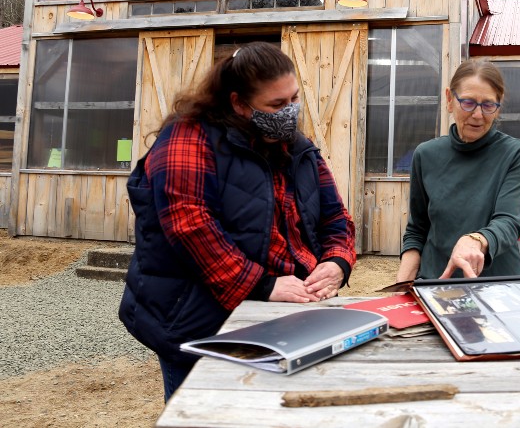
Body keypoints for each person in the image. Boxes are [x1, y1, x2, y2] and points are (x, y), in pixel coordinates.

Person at [119, 42, 356, 401]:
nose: (289, 112)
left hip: (283, 315)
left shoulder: (297, 147)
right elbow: (190, 225)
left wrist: (337, 262)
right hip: (199, 317)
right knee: (204, 416)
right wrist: (261, 285)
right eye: (276, 105)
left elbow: (335, 216)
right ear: (238, 104)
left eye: (293, 99)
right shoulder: (188, 137)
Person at [396, 59, 520, 281]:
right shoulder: (426, 155)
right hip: (437, 283)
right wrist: (401, 286)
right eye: (468, 102)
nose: (478, 115)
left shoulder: (515, 153)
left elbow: (508, 222)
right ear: (450, 100)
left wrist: (475, 239)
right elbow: (417, 230)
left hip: (497, 285)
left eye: (488, 105)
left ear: (498, 107)